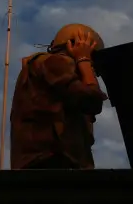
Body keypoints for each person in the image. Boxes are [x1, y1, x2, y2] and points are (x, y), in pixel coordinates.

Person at [9, 23, 108, 170]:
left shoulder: (38, 68)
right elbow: (92, 100)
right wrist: (84, 60)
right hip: (52, 165)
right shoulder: (56, 62)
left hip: (39, 167)